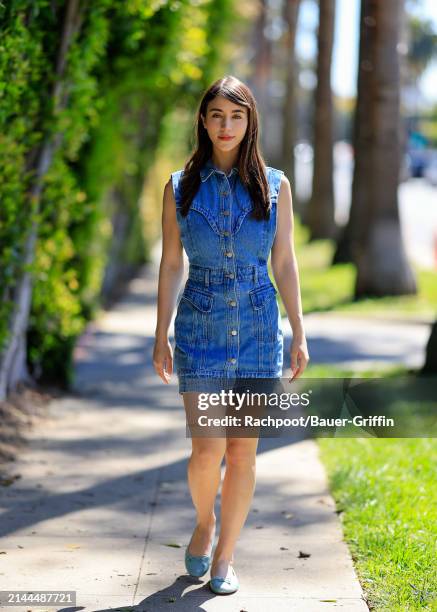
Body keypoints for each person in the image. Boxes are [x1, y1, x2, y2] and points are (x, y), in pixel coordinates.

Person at [153, 75, 309, 595]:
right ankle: (205, 522)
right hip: (199, 324)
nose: (226, 125)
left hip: (261, 329)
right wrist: (161, 333)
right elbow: (171, 264)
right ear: (203, 119)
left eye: (236, 116)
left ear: (250, 123)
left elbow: (284, 262)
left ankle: (225, 555)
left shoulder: (275, 184)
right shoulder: (179, 187)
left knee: (242, 453)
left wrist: (299, 331)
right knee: (206, 453)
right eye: (217, 114)